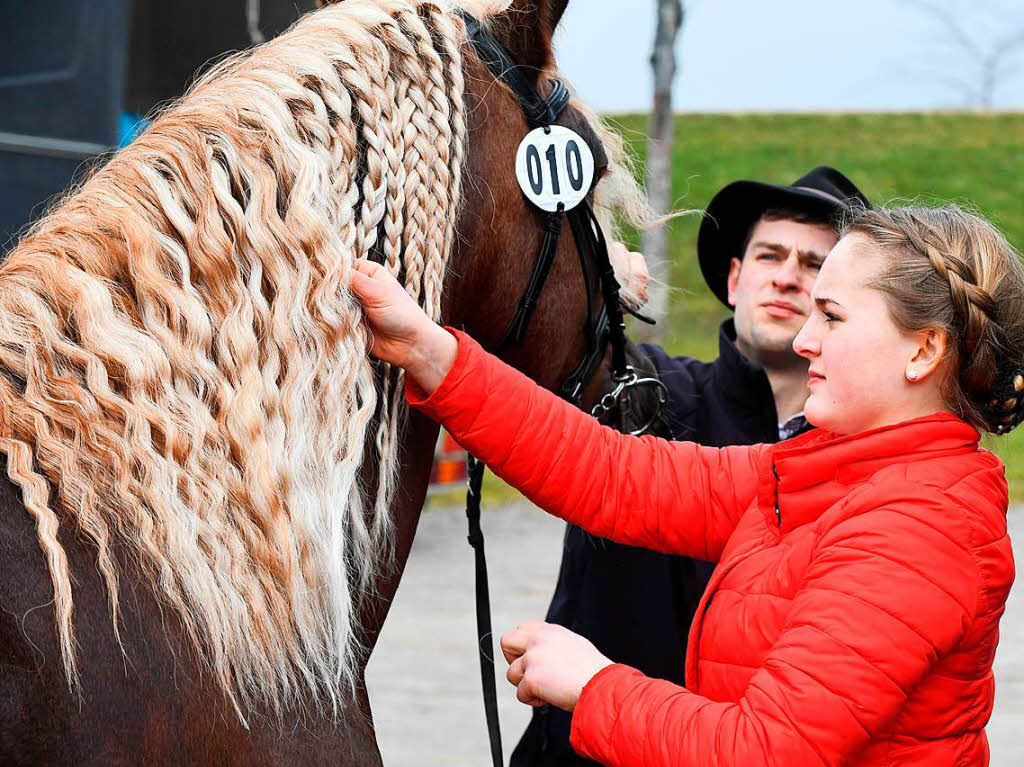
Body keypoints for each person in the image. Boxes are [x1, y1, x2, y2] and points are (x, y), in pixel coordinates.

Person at [350, 203, 1023, 766]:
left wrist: (592, 684)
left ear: (924, 350)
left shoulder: (920, 527)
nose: (806, 339)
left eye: (834, 316)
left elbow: (763, 750)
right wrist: (432, 355)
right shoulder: (827, 475)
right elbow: (617, 476)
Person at [513, 166, 870, 766]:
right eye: (770, 255)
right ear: (735, 278)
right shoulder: (642, 391)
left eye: (813, 266)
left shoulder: (865, 468)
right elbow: (548, 342)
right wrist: (589, 278)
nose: (786, 277)